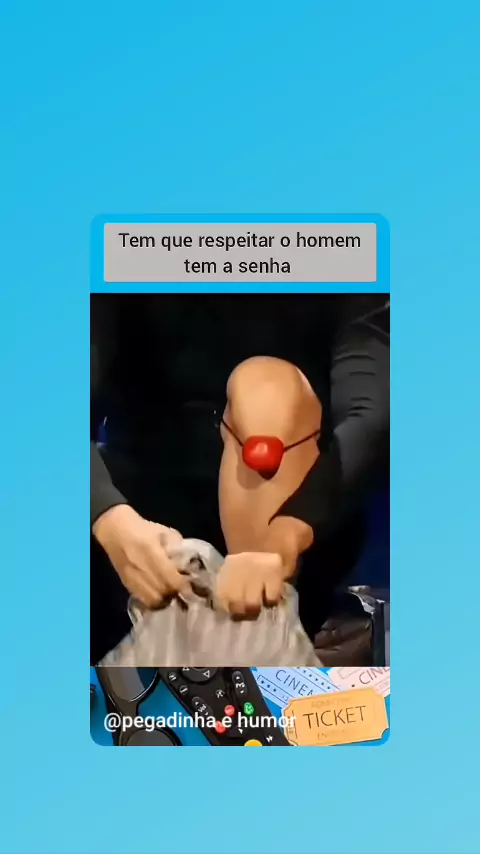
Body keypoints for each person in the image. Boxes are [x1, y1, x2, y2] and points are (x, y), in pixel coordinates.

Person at [90, 293, 389, 664]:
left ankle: (264, 639)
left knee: (265, 389)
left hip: (291, 515)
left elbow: (371, 416)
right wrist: (110, 519)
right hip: (138, 511)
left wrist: (285, 539)